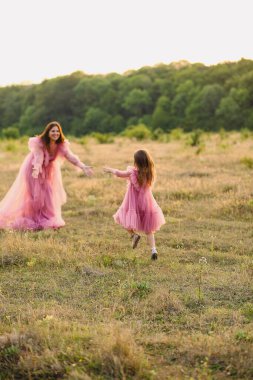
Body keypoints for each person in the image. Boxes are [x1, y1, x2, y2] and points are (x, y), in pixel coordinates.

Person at [0, 121, 93, 230]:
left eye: (57, 131)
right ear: (47, 133)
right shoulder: (40, 142)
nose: (55, 133)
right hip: (33, 169)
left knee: (48, 194)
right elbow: (39, 157)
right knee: (35, 197)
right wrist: (36, 169)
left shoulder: (61, 144)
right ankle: (32, 219)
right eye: (53, 131)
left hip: (47, 172)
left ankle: (46, 218)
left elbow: (70, 156)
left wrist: (83, 166)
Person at [103, 149, 165, 260]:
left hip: (133, 203)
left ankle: (133, 235)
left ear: (136, 162)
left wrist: (110, 170)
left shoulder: (132, 172)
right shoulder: (150, 173)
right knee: (149, 230)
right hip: (147, 203)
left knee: (121, 218)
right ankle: (153, 250)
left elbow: (120, 173)